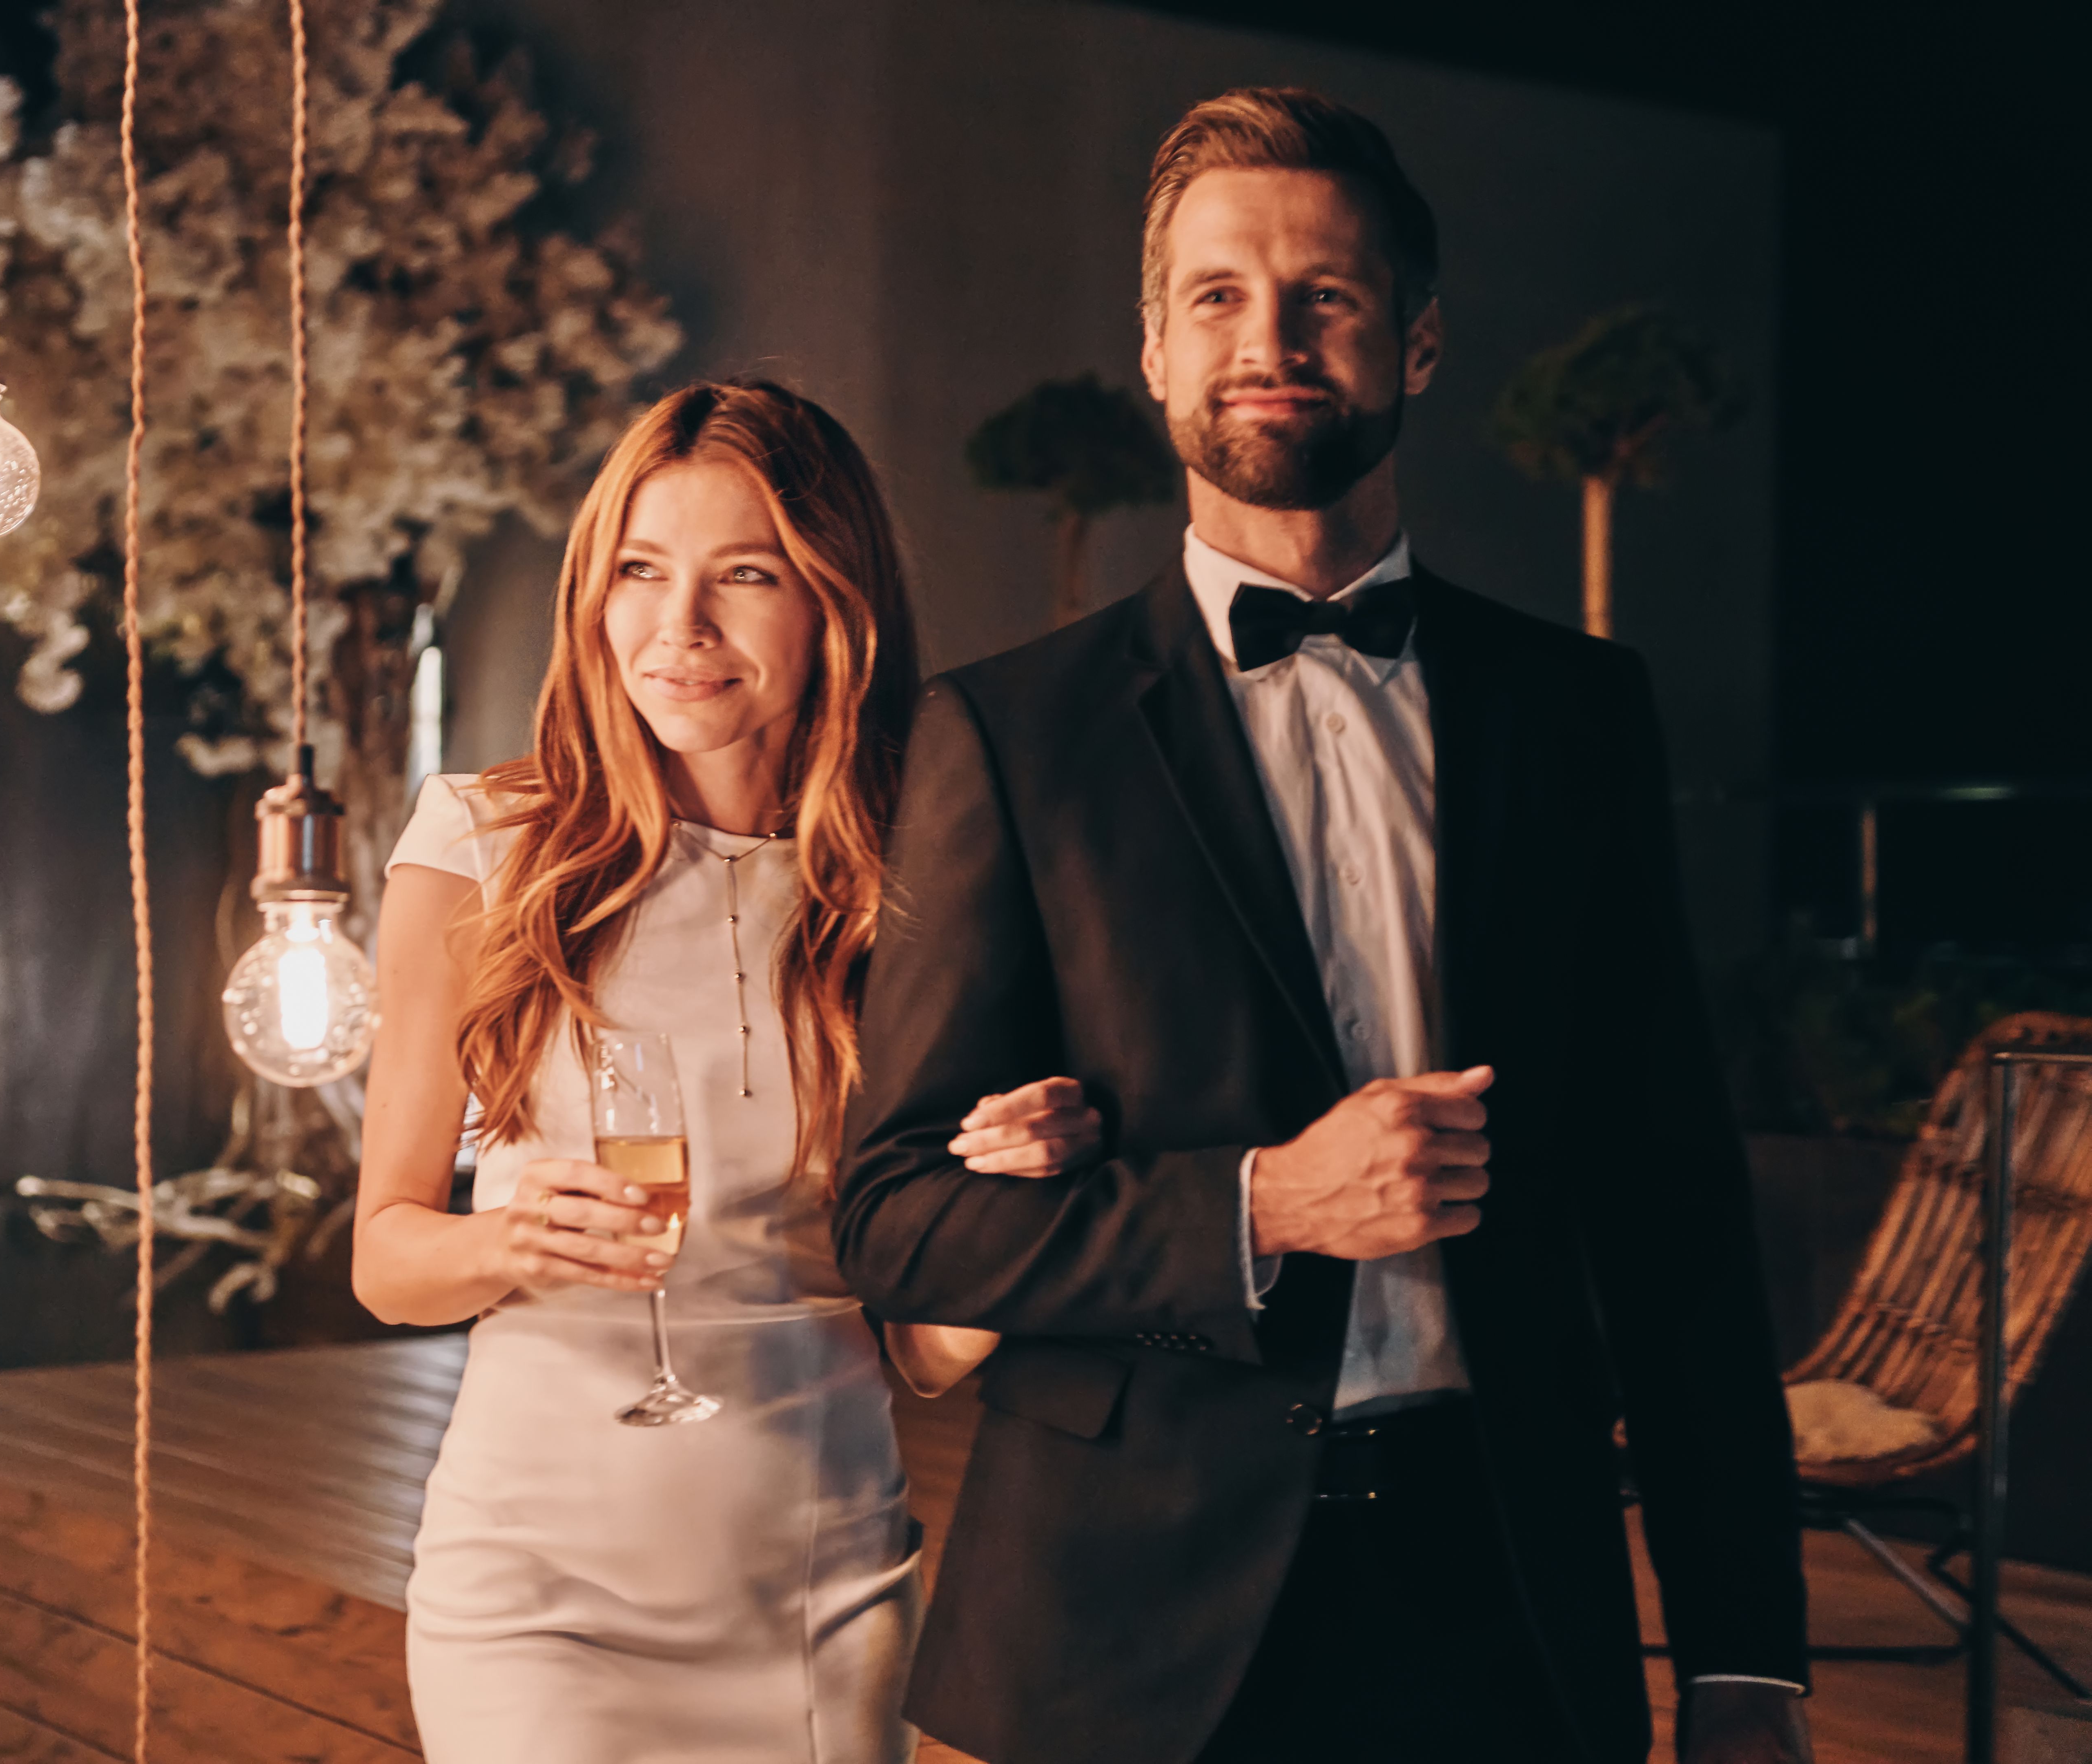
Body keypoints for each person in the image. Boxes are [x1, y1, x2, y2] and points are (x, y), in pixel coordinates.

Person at [836, 88, 1812, 1764]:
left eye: (1326, 296)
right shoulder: (1005, 733)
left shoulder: (1579, 713)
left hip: (1503, 1595)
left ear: (1417, 343)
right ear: (1152, 348)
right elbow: (899, 1223)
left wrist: (1745, 1658)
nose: (1268, 338)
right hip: (1117, 1635)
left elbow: (1676, 1214)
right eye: (1216, 296)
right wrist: (1266, 1203)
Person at [354, 378, 1097, 1764]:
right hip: (536, 1597)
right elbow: (386, 1261)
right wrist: (512, 1240)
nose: (678, 629)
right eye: (641, 571)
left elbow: (921, 1358)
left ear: (833, 602)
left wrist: (1025, 1213)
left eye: (742, 575)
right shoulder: (479, 846)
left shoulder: (915, 889)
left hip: (818, 1590)